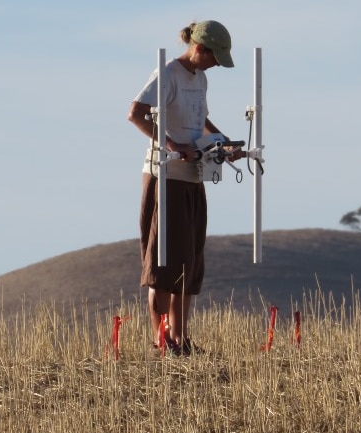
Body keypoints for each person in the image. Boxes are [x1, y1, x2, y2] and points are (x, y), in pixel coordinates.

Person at [127, 20, 240, 356]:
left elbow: (201, 120)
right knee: (163, 264)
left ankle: (181, 339)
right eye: (214, 57)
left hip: (193, 177)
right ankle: (163, 342)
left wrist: (223, 142)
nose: (215, 65)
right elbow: (136, 113)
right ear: (199, 48)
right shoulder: (168, 73)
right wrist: (174, 145)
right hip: (166, 177)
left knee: (189, 262)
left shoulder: (200, 78)